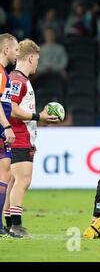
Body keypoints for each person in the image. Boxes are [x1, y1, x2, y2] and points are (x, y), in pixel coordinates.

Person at [3, 39, 59, 237]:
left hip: (19, 136)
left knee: (13, 181)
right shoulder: (19, 81)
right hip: (19, 137)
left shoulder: (15, 79)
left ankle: (8, 223)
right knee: (23, 180)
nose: (37, 63)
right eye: (37, 59)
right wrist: (39, 116)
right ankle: (16, 225)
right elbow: (12, 109)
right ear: (30, 58)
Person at [0, 33, 18, 237]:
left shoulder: (3, 72)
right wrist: (6, 126)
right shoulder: (1, 73)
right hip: (0, 129)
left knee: (5, 171)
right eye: (14, 50)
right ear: (6, 50)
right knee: (4, 173)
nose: (16, 54)